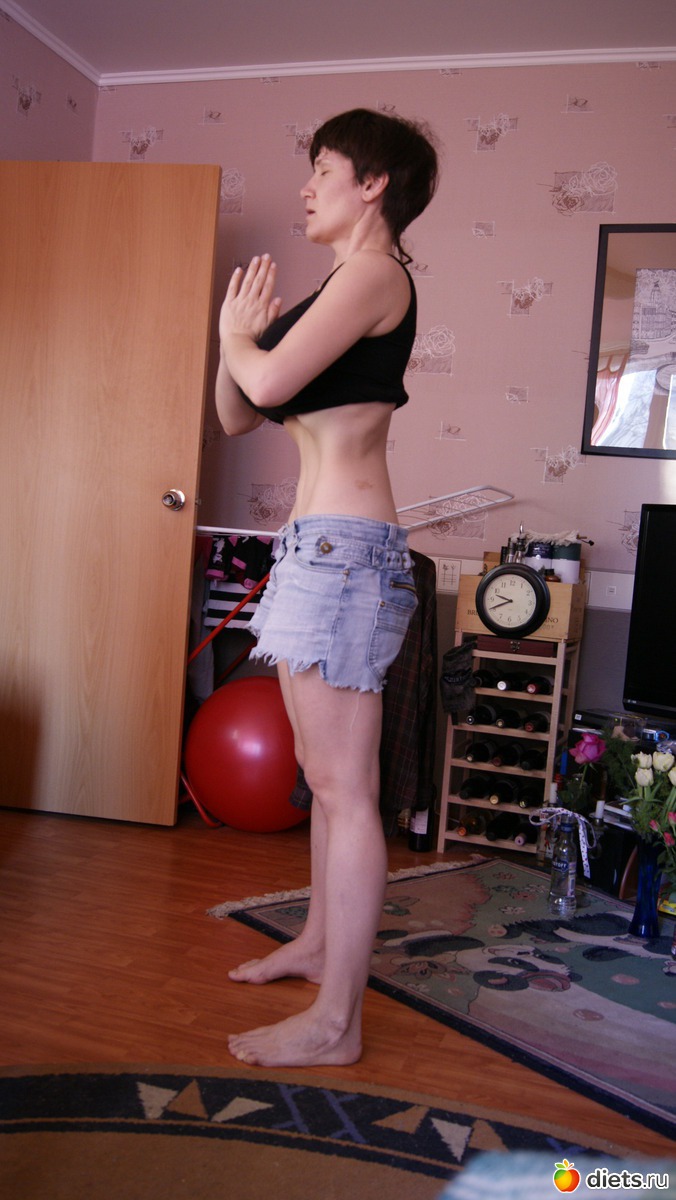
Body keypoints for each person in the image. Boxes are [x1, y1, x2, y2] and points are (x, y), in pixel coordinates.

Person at [215, 107, 439, 1068]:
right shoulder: (329, 296)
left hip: (347, 552)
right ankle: (314, 944)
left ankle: (337, 1023)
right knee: (322, 775)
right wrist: (232, 339)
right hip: (314, 548)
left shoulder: (376, 275)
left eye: (322, 169)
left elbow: (263, 386)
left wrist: (243, 345)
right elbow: (238, 411)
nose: (305, 188)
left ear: (373, 183)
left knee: (347, 789)